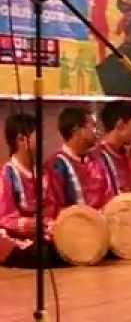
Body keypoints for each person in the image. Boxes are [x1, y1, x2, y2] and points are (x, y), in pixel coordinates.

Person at [0, 114, 60, 268]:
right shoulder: (6, 175)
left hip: (42, 232)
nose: (43, 141)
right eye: (38, 136)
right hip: (16, 234)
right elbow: (5, 217)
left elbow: (52, 207)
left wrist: (50, 223)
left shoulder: (45, 173)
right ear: (21, 139)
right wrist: (26, 224)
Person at [45, 107, 106, 210]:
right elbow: (54, 208)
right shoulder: (56, 165)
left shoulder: (97, 160)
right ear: (76, 130)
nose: (98, 132)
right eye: (93, 126)